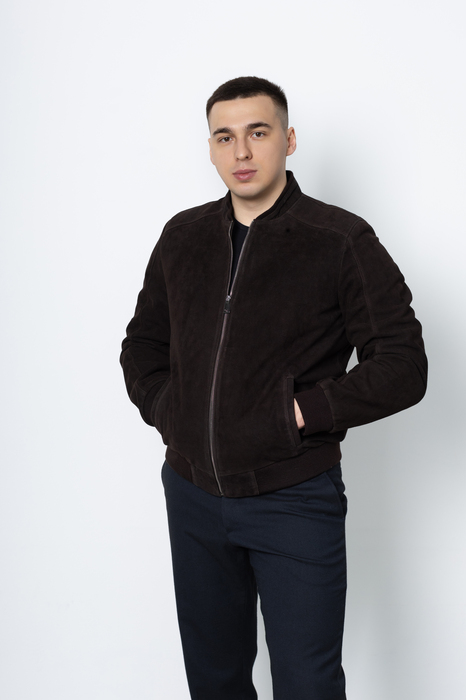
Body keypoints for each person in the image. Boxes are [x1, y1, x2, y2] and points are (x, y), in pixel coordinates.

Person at [120, 76, 427, 700]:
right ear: (210, 148)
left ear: (288, 140)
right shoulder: (183, 237)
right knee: (214, 681)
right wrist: (173, 413)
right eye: (224, 137)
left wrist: (301, 413)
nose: (241, 152)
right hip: (192, 494)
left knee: (307, 685)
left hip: (294, 498)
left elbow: (403, 363)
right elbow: (143, 347)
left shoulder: (339, 240)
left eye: (257, 133)